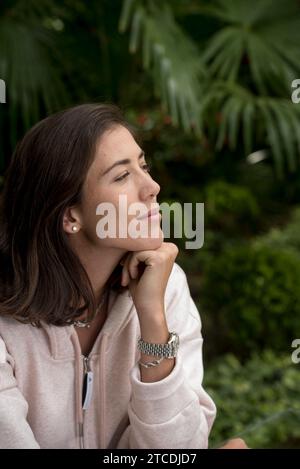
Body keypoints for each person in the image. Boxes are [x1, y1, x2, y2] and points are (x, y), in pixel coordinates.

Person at [0, 103, 218, 449]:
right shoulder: (6, 325)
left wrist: (152, 317)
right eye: (121, 176)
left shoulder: (165, 286)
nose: (152, 187)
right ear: (70, 215)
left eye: (143, 166)